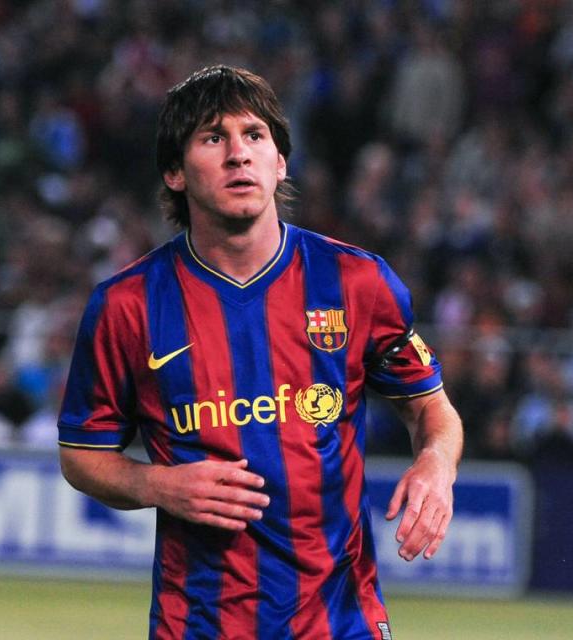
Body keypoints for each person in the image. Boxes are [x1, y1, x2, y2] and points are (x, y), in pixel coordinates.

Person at [58, 65, 463, 639]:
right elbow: (80, 453)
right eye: (212, 138)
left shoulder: (355, 283)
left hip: (339, 623)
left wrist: (436, 464)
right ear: (175, 172)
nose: (238, 154)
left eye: (254, 135)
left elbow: (432, 409)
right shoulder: (128, 306)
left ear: (281, 163)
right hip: (197, 626)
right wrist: (158, 485)